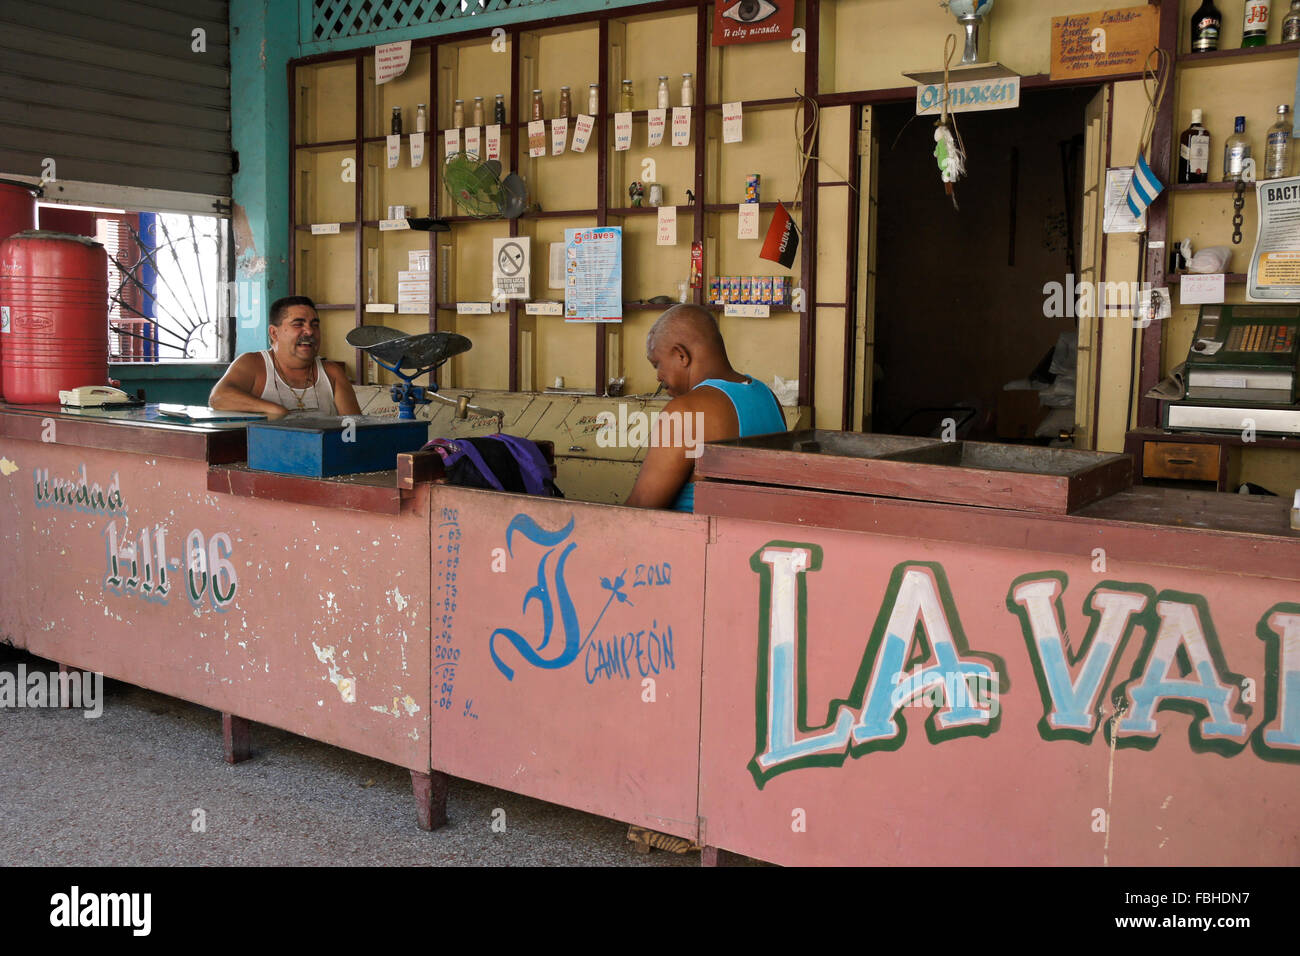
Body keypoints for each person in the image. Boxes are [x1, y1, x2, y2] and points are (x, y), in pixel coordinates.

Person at [625, 304, 786, 511]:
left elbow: (640, 508)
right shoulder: (767, 396)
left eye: (657, 364)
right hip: (758, 540)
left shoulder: (685, 411)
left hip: (695, 541)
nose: (658, 376)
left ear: (681, 355)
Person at [209, 295, 361, 419]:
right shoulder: (254, 364)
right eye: (298, 324)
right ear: (274, 333)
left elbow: (354, 427)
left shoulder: (331, 372)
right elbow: (218, 398)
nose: (309, 331)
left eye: (314, 325)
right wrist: (275, 410)